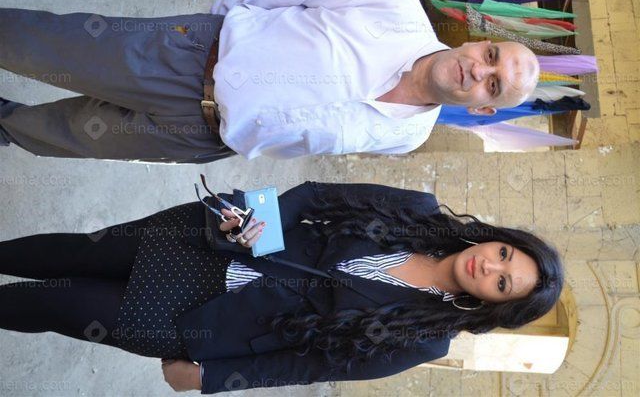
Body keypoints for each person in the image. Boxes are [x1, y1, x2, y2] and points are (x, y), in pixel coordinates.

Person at [0, 181, 563, 394]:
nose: (489, 267)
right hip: (216, 245)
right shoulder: (417, 210)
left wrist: (212, 378)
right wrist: (259, 220)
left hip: (211, 320)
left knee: (56, 302)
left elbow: (310, 365)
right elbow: (316, 197)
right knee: (79, 250)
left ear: (494, 306)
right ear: (499, 239)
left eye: (503, 283)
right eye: (503, 254)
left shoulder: (424, 340)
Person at [0, 0, 540, 163]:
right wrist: (210, 38)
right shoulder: (394, 3)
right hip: (189, 59)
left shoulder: (410, 136)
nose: (478, 70)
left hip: (201, 137)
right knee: (46, 48)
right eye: (491, 56)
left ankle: (6, 124)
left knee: (69, 135)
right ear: (481, 42)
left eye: (493, 85)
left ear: (484, 109)